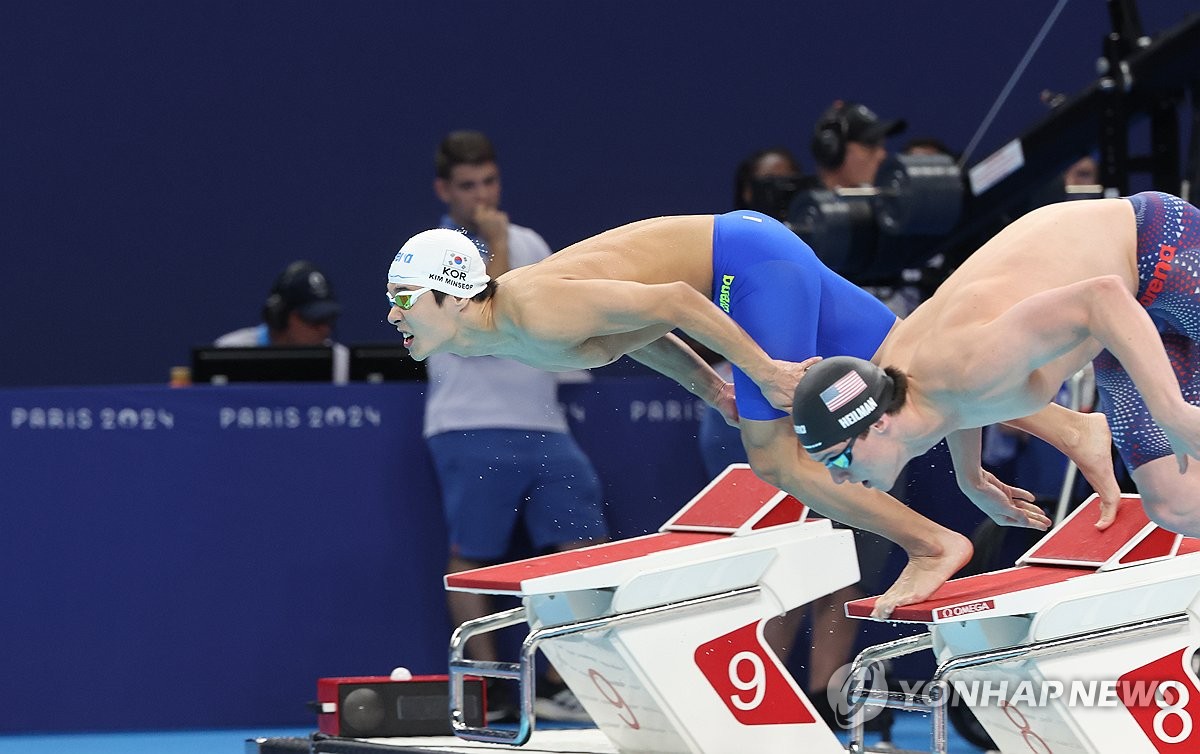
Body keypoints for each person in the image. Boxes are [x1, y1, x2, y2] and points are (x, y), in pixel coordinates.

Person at [385, 207, 1119, 628]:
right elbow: (635, 332)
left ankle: (931, 544)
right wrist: (711, 387)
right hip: (756, 254)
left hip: (745, 270)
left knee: (774, 458)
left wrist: (763, 372)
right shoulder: (511, 327)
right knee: (912, 367)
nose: (393, 315)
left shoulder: (533, 313)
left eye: (405, 298)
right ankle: (1072, 427)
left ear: (452, 296)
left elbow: (674, 298)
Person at [792, 191, 1200, 548]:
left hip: (1163, 252)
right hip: (1122, 327)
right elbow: (954, 401)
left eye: (838, 461)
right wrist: (970, 476)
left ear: (877, 424)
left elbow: (1102, 297)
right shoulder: (907, 379)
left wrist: (1171, 412)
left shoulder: (968, 365)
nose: (839, 478)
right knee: (1176, 504)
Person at [420, 130, 608, 723]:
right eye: (468, 186)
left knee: (583, 544)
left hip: (545, 425)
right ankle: (489, 686)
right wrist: (495, 242)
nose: (481, 197)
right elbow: (484, 319)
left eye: (490, 183)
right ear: (444, 190)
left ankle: (557, 679)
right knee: (474, 556)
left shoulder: (533, 243)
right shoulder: (431, 251)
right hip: (468, 424)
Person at [215, 259, 349, 383]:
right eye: (315, 320)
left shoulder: (341, 362)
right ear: (279, 316)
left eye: (329, 319)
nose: (325, 329)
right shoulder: (230, 353)